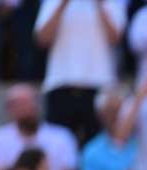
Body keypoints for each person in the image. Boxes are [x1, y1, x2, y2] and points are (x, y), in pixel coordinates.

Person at [33, 0, 125, 145]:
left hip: (100, 85)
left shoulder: (112, 3)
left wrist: (99, 4)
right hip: (60, 83)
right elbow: (43, 39)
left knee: (97, 145)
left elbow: (115, 38)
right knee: (58, 146)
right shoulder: (52, 2)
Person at [0, 84, 78, 170]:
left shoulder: (61, 136)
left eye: (31, 102)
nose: (29, 108)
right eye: (22, 103)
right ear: (10, 109)